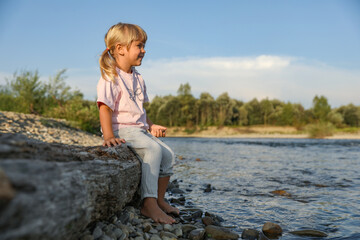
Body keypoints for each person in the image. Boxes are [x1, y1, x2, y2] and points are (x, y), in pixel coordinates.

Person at [96, 22, 179, 224]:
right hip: (121, 128)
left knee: (168, 155)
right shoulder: (111, 76)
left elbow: (140, 109)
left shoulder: (138, 78)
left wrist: (151, 125)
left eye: (143, 46)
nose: (144, 50)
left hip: (140, 129)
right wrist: (108, 136)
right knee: (153, 150)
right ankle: (148, 204)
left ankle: (159, 199)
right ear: (120, 49)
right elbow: (104, 108)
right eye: (139, 46)